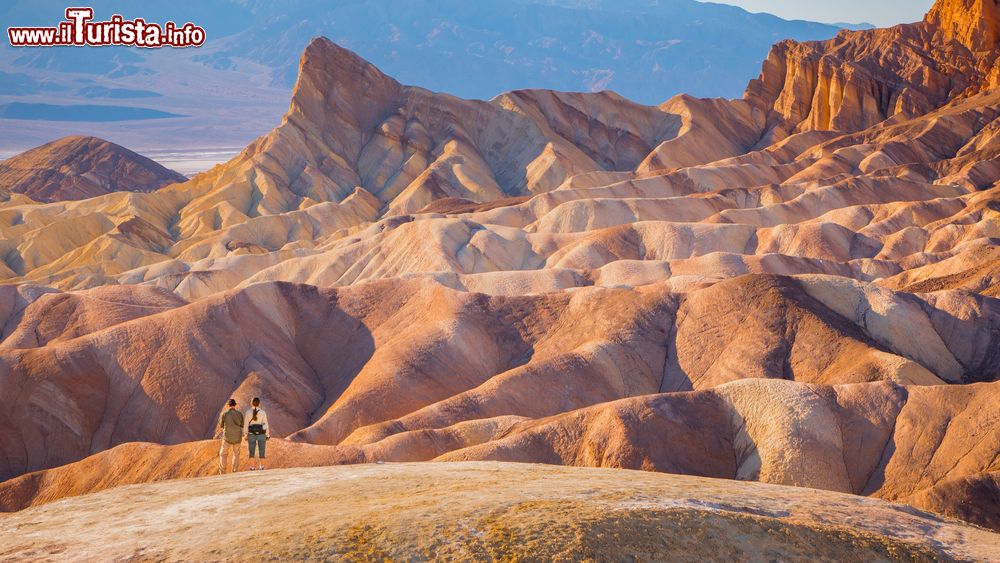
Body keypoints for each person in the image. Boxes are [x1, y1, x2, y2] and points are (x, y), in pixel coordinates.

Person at [218, 399, 244, 473]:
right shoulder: (240, 414)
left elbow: (221, 425)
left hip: (227, 438)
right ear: (235, 405)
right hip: (237, 437)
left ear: (228, 405)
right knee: (236, 454)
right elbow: (242, 425)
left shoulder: (224, 414)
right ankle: (235, 470)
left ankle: (223, 471)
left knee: (223, 454)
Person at [244, 397, 270, 470]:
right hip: (261, 434)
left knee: (251, 450)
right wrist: (267, 434)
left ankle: (252, 467)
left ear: (251, 403)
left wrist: (245, 434)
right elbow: (265, 425)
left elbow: (246, 424)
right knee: (262, 450)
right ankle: (261, 466)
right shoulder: (263, 412)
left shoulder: (248, 412)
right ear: (259, 404)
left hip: (251, 434)